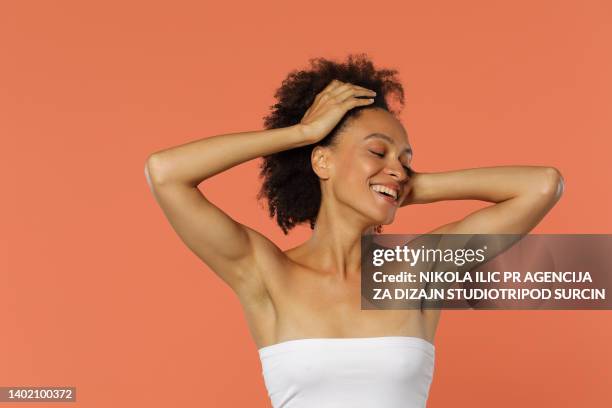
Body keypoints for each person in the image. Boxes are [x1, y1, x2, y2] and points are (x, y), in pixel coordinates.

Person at [144, 54, 564, 408]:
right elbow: (165, 174)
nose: (397, 167)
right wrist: (301, 134)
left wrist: (407, 186)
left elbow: (542, 185)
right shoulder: (265, 271)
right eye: (378, 151)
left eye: (405, 159)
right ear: (322, 162)